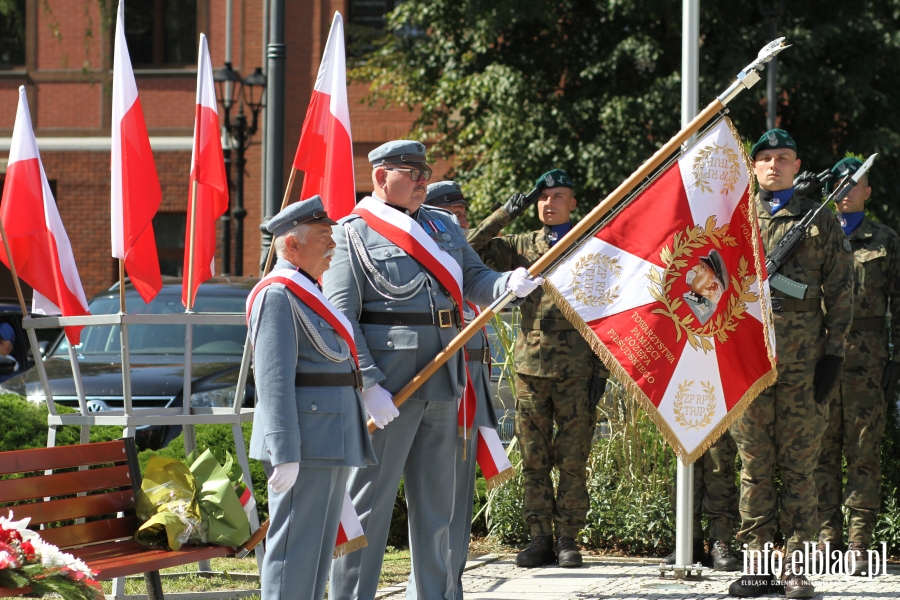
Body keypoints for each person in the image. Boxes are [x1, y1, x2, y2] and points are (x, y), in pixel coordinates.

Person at [325, 141, 542, 600]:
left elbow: (475, 278)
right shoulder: (352, 234)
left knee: (438, 508)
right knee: (368, 508)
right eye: (412, 172)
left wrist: (506, 284)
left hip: (445, 378)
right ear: (382, 176)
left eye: (425, 172)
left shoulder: (443, 227)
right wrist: (368, 385)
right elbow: (343, 318)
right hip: (390, 388)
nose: (424, 180)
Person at [728, 130, 853, 598]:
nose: (774, 165)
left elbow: (842, 291)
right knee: (755, 464)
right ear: (753, 167)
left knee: (800, 466)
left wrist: (835, 353)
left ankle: (796, 566)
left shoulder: (819, 221)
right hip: (749, 359)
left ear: (798, 165)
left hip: (803, 363)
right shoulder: (735, 220)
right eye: (765, 159)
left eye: (783, 158)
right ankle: (759, 564)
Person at [468, 169, 608, 568]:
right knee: (533, 459)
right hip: (532, 370)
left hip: (578, 370)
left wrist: (601, 373)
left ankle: (568, 539)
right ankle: (539, 538)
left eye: (558, 197)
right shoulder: (519, 245)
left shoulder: (589, 245)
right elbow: (469, 250)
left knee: (573, 459)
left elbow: (606, 312)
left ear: (573, 203)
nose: (549, 204)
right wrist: (504, 214)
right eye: (542, 198)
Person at [246, 196, 376, 600]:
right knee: (294, 554)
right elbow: (273, 381)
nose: (333, 246)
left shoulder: (306, 292)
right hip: (304, 444)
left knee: (317, 555)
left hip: (327, 440)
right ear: (292, 246)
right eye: (324, 237)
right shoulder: (278, 295)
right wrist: (283, 450)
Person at [405, 180, 499, 599]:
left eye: (461, 214)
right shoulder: (427, 278)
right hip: (437, 391)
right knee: (432, 498)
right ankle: (424, 586)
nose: (459, 223)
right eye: (450, 215)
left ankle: (450, 584)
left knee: (458, 499)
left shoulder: (461, 268)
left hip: (470, 393)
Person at [813, 157, 900, 574]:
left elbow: (899, 304)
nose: (845, 189)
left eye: (855, 183)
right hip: (820, 357)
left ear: (868, 191)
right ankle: (827, 539)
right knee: (820, 450)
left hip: (867, 361)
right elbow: (793, 291)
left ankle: (860, 543)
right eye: (838, 182)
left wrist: (897, 357)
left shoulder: (885, 239)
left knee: (863, 451)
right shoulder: (814, 233)